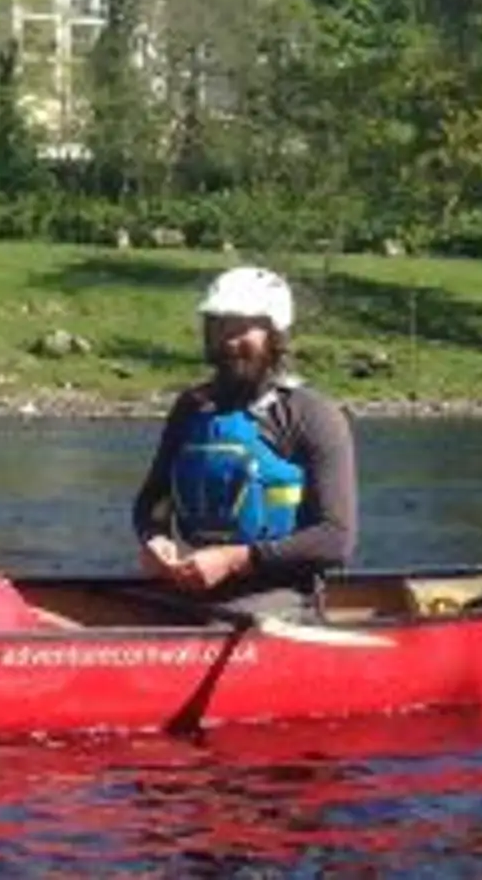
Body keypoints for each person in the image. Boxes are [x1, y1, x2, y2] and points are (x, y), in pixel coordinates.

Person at [130, 266, 358, 621]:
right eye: (218, 328)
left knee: (213, 623)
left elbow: (335, 539)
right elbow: (154, 499)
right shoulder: (191, 407)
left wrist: (236, 560)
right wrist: (155, 537)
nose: (228, 341)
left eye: (241, 329)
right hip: (193, 588)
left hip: (277, 595)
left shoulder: (312, 415)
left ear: (274, 334)